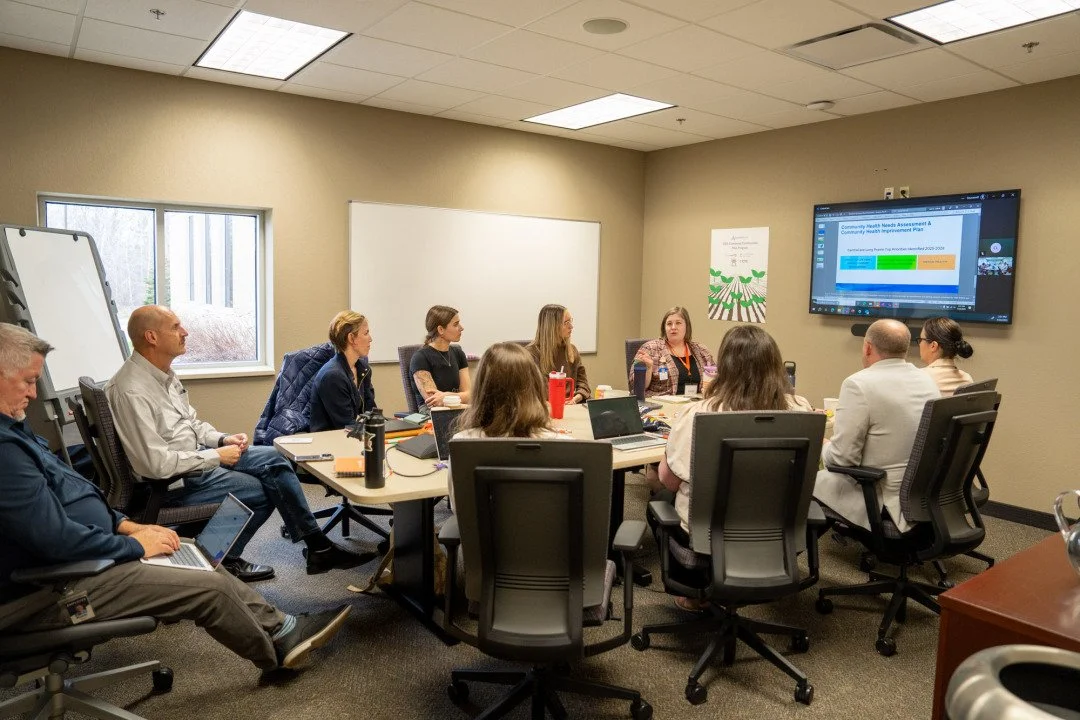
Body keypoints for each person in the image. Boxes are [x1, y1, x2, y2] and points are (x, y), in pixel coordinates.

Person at [0, 323, 349, 671]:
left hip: (124, 518)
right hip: (65, 576)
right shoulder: (11, 448)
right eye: (29, 381)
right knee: (245, 509)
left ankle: (278, 618)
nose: (33, 394)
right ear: (151, 336)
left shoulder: (16, 429)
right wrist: (135, 545)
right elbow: (150, 469)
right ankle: (280, 639)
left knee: (206, 539)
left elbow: (189, 426)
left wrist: (126, 525)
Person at [106, 306, 371, 581]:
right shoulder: (131, 390)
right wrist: (216, 456)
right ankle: (224, 559)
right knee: (260, 489)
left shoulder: (164, 375)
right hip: (172, 480)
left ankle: (316, 545)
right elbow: (154, 465)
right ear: (151, 337)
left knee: (274, 457)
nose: (184, 332)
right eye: (175, 327)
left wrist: (221, 439)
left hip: (194, 456)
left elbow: (191, 424)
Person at [813, 319, 941, 534]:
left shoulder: (859, 384)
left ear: (868, 347)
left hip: (881, 497)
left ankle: (785, 556)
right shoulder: (925, 379)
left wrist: (823, 444)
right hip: (920, 497)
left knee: (805, 479)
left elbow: (843, 459)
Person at [309, 311, 376, 432]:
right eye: (366, 333)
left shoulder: (363, 369)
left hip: (355, 437)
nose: (370, 339)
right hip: (331, 442)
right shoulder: (332, 376)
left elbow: (371, 412)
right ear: (351, 338)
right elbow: (346, 425)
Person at [631, 307, 715, 397]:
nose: (673, 327)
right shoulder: (650, 349)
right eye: (669, 324)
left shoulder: (701, 350)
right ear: (664, 328)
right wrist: (648, 368)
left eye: (678, 323)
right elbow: (637, 387)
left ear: (687, 326)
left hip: (695, 404)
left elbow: (717, 381)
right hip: (662, 404)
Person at [409, 305, 471, 410]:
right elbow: (434, 402)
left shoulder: (458, 353)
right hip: (431, 415)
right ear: (441, 329)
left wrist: (445, 396)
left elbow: (469, 395)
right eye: (456, 324)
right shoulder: (420, 358)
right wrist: (464, 402)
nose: (461, 328)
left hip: (459, 409)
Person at [525, 303, 589, 404]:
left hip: (570, 407)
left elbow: (583, 384)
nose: (571, 326)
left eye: (570, 321)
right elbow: (526, 393)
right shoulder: (530, 354)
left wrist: (575, 398)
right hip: (544, 412)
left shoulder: (572, 351)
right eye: (566, 322)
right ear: (552, 326)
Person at [918, 316, 974, 396]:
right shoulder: (967, 380)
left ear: (933, 346)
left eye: (920, 340)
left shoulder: (919, 379)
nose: (919, 344)